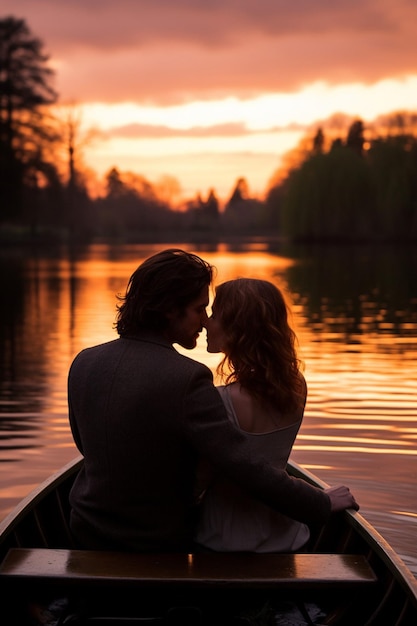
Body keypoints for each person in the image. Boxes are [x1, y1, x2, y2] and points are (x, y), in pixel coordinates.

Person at [67, 249, 359, 553]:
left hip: (84, 530)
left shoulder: (84, 362)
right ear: (170, 309)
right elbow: (243, 466)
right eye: (199, 309)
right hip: (158, 543)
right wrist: (321, 502)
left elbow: (85, 445)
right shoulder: (187, 377)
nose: (205, 321)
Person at [195, 278, 313, 552]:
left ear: (237, 329)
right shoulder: (297, 385)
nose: (205, 322)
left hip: (221, 541)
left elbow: (199, 479)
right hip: (288, 537)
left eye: (214, 315)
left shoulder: (219, 400)